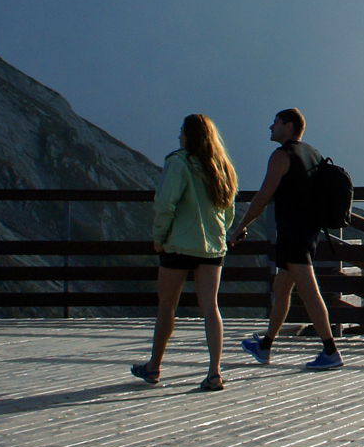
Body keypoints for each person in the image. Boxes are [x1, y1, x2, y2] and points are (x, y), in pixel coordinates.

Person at [228, 108, 343, 370]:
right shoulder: (313, 154)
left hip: (293, 234)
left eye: (276, 123)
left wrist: (241, 226)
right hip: (309, 233)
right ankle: (265, 346)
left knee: (310, 293)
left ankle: (331, 351)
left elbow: (263, 196)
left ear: (288, 126)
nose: (271, 127)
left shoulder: (281, 156)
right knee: (281, 289)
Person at [131, 114, 238, 391]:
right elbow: (229, 210)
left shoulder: (178, 162)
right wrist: (221, 235)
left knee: (167, 305)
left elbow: (166, 202)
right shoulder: (222, 166)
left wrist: (159, 236)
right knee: (211, 307)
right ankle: (214, 372)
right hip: (212, 247)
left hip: (179, 243)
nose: (178, 136)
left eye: (181, 132)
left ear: (189, 135)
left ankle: (154, 366)